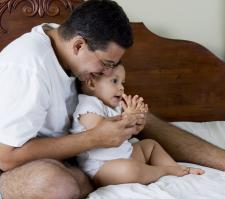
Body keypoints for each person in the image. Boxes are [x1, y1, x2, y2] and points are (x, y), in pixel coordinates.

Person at [0, 0, 225, 198]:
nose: (108, 71)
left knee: (132, 113)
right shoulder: (27, 67)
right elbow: (7, 157)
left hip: (64, 153)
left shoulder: (66, 50)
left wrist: (124, 119)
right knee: (54, 182)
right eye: (106, 63)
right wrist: (96, 139)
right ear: (78, 45)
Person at [70, 64, 204, 186]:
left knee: (150, 145)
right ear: (91, 83)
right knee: (130, 170)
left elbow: (124, 134)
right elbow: (101, 133)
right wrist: (127, 117)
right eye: (114, 81)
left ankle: (176, 168)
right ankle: (163, 170)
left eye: (122, 83)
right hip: (103, 167)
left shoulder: (114, 107)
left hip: (127, 154)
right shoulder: (88, 104)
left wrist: (136, 124)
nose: (121, 87)